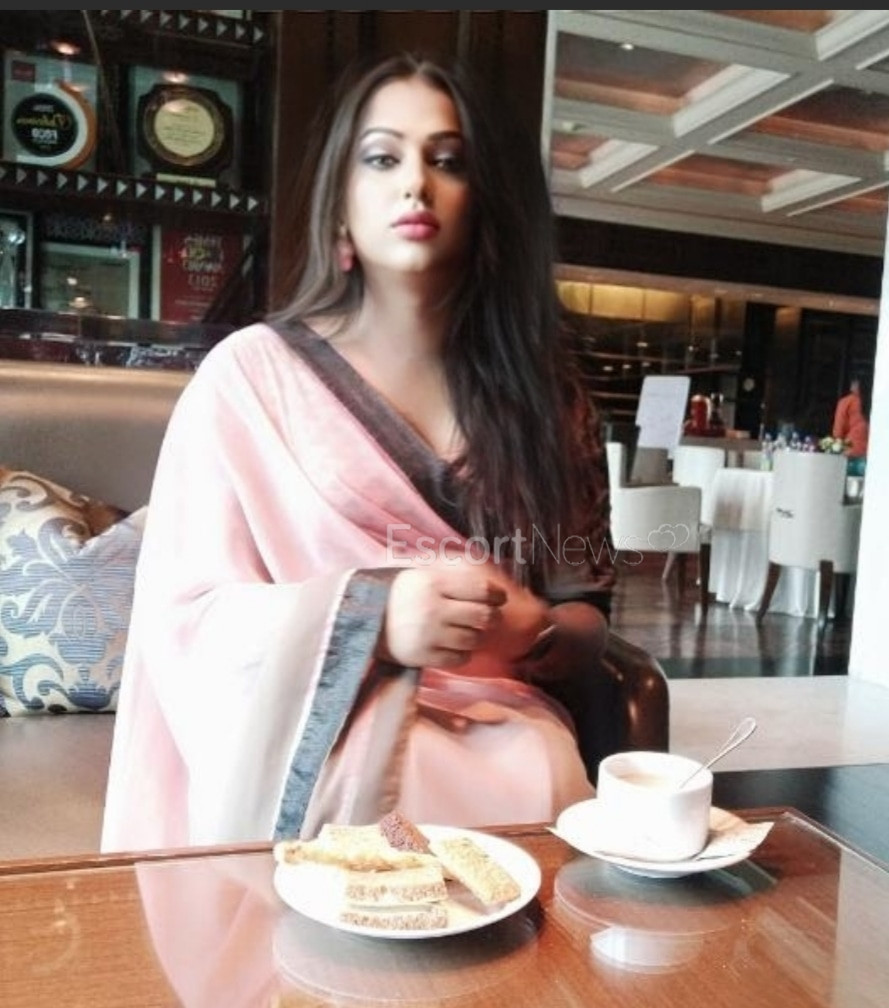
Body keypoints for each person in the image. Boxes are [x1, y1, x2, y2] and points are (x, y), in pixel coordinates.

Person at [100, 52, 614, 851]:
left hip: (508, 731)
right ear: (340, 209)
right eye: (382, 158)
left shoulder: (549, 399)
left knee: (541, 788)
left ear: (486, 202)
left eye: (448, 161)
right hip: (321, 741)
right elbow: (184, 617)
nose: (416, 184)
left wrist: (534, 634)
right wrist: (372, 619)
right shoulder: (251, 380)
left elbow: (589, 608)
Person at [831, 377, 870, 464]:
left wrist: (836, 447)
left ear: (853, 386)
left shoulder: (846, 402)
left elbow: (839, 429)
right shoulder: (873, 402)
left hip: (851, 450)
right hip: (870, 452)